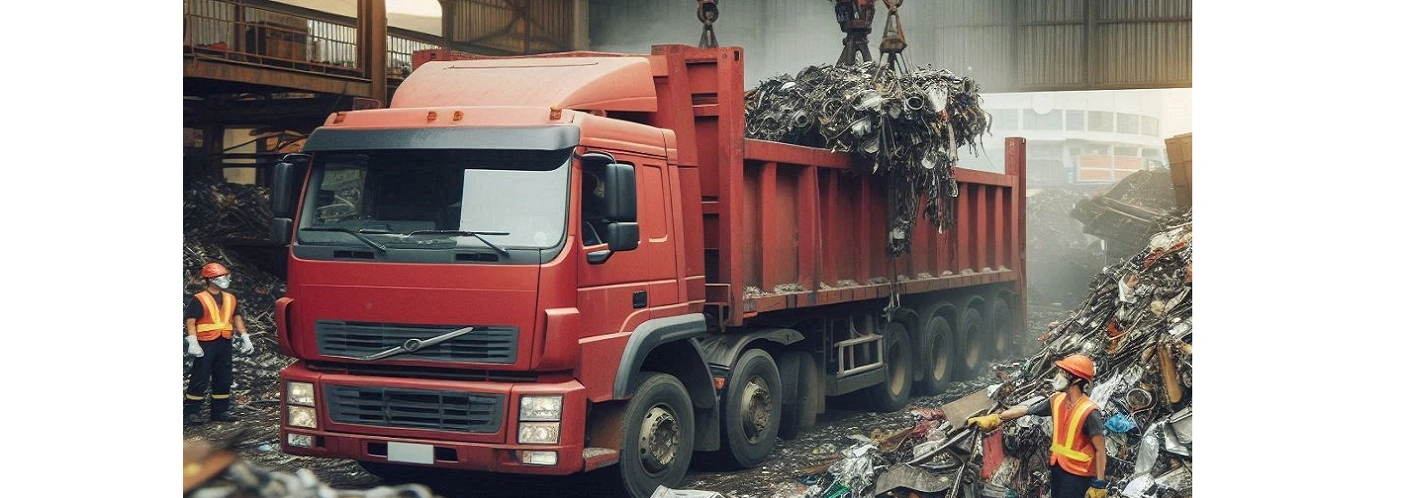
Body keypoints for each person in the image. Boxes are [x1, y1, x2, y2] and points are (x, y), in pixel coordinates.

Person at [967, 354, 1109, 498]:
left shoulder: (1090, 412)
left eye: (1064, 373)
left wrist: (1099, 483)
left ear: (1077, 380)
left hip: (1079, 475)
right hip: (1058, 467)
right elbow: (1027, 410)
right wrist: (997, 418)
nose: (1059, 376)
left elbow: (1100, 449)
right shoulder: (1057, 400)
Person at [184, 262, 254, 425]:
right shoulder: (199, 299)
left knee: (223, 376)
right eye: (222, 276)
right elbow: (191, 321)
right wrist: (193, 341)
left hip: (224, 341)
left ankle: (220, 411)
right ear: (211, 279)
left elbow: (236, 317)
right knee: (200, 376)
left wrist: (245, 336)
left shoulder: (230, 298)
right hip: (205, 343)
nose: (226, 279)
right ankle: (191, 412)